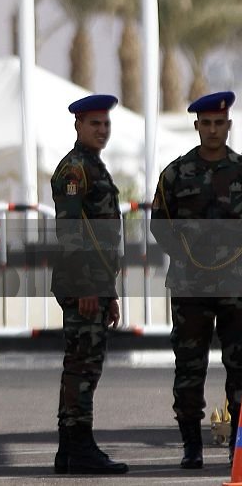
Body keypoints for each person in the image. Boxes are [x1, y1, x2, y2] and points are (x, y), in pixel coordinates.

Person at [151, 91, 242, 469]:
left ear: (229, 126)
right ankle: (192, 445)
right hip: (191, 288)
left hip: (237, 287)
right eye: (206, 123)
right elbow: (159, 224)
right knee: (189, 368)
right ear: (197, 126)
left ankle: (238, 446)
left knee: (239, 367)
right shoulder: (175, 173)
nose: (213, 130)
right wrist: (188, 257)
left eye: (219, 123)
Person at [49, 94, 128, 474]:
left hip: (95, 284)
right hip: (82, 284)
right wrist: (85, 287)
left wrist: (107, 291)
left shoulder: (94, 166)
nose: (102, 130)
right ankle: (78, 448)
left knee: (84, 364)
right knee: (83, 366)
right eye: (94, 123)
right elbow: (71, 233)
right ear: (78, 125)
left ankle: (70, 449)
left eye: (106, 124)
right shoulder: (75, 170)